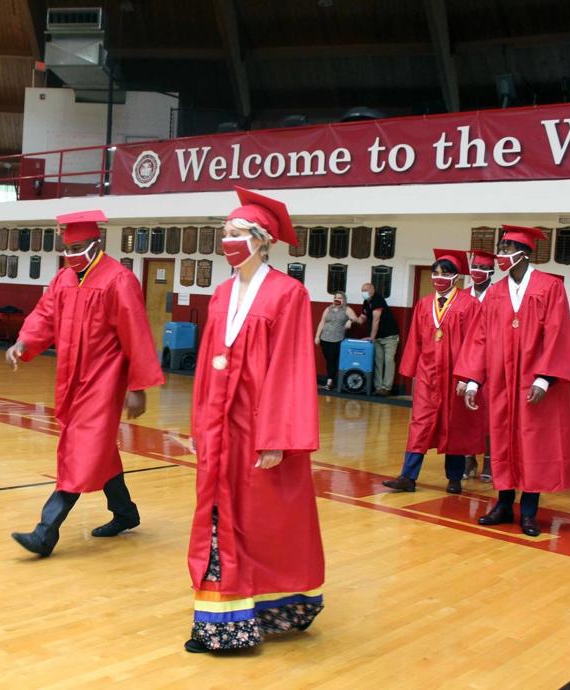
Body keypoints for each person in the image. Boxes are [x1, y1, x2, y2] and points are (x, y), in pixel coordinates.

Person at [185, 188, 324, 654]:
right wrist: (200, 426)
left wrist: (277, 437)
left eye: (238, 233)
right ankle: (220, 623)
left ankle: (269, 611)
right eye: (225, 233)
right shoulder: (222, 294)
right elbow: (208, 362)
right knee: (218, 517)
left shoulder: (289, 294)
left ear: (262, 240)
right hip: (221, 428)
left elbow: (292, 368)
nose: (228, 240)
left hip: (259, 429)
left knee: (263, 522)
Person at [7, 209, 164, 558]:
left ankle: (45, 532)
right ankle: (125, 513)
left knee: (81, 450)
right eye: (68, 248)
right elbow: (44, 316)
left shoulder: (118, 280)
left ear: (97, 243)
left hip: (104, 382)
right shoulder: (64, 279)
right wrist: (23, 343)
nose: (72, 254)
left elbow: (135, 335)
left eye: (78, 247)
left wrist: (137, 389)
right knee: (99, 450)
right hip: (71, 379)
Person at [455, 225, 570, 537]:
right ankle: (504, 504)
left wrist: (545, 378)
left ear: (523, 253)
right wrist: (472, 381)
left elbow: (558, 333)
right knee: (502, 442)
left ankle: (530, 512)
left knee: (533, 443)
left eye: (507, 250)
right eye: (501, 249)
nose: (501, 256)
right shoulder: (494, 293)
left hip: (534, 383)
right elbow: (480, 339)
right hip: (502, 382)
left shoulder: (549, 287)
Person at [382, 249, 485, 494]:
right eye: (435, 273)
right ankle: (407, 476)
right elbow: (415, 339)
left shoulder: (469, 304)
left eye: (445, 273)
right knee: (420, 423)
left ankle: (454, 478)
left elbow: (476, 342)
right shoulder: (424, 303)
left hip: (455, 376)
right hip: (428, 375)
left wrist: (468, 376)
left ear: (457, 277)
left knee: (454, 425)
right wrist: (413, 371)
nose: (439, 278)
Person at [465, 250, 496, 481]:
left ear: (491, 272)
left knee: (487, 416)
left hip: (490, 363)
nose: (478, 272)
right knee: (465, 415)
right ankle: (468, 460)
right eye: (475, 267)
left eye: (483, 269)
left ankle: (489, 461)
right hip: (465, 360)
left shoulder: (498, 296)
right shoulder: (463, 296)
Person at [354, 281, 400, 396]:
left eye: (365, 291)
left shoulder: (378, 299)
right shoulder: (366, 302)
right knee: (378, 361)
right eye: (362, 291)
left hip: (389, 336)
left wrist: (371, 338)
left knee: (389, 361)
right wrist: (351, 319)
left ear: (372, 290)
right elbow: (362, 318)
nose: (363, 293)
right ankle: (378, 387)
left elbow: (376, 319)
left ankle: (386, 387)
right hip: (377, 338)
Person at [314, 291, 358, 391]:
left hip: (337, 339)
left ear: (344, 300)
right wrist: (317, 336)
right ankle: (331, 379)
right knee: (328, 359)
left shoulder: (347, 309)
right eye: (336, 297)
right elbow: (322, 322)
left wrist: (350, 321)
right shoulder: (328, 309)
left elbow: (355, 318)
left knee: (332, 359)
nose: (337, 299)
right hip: (324, 338)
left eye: (340, 298)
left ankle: (330, 382)